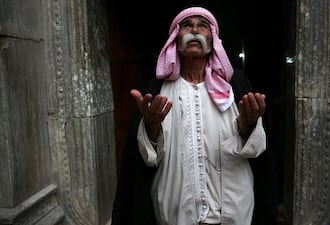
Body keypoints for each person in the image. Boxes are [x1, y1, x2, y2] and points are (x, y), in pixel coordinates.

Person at [111, 6, 271, 225]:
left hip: (233, 211)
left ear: (213, 38)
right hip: (176, 213)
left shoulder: (235, 87)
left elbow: (256, 150)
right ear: (175, 39)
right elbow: (146, 158)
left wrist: (248, 126)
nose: (195, 29)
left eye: (203, 25)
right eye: (186, 25)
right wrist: (151, 126)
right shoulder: (158, 90)